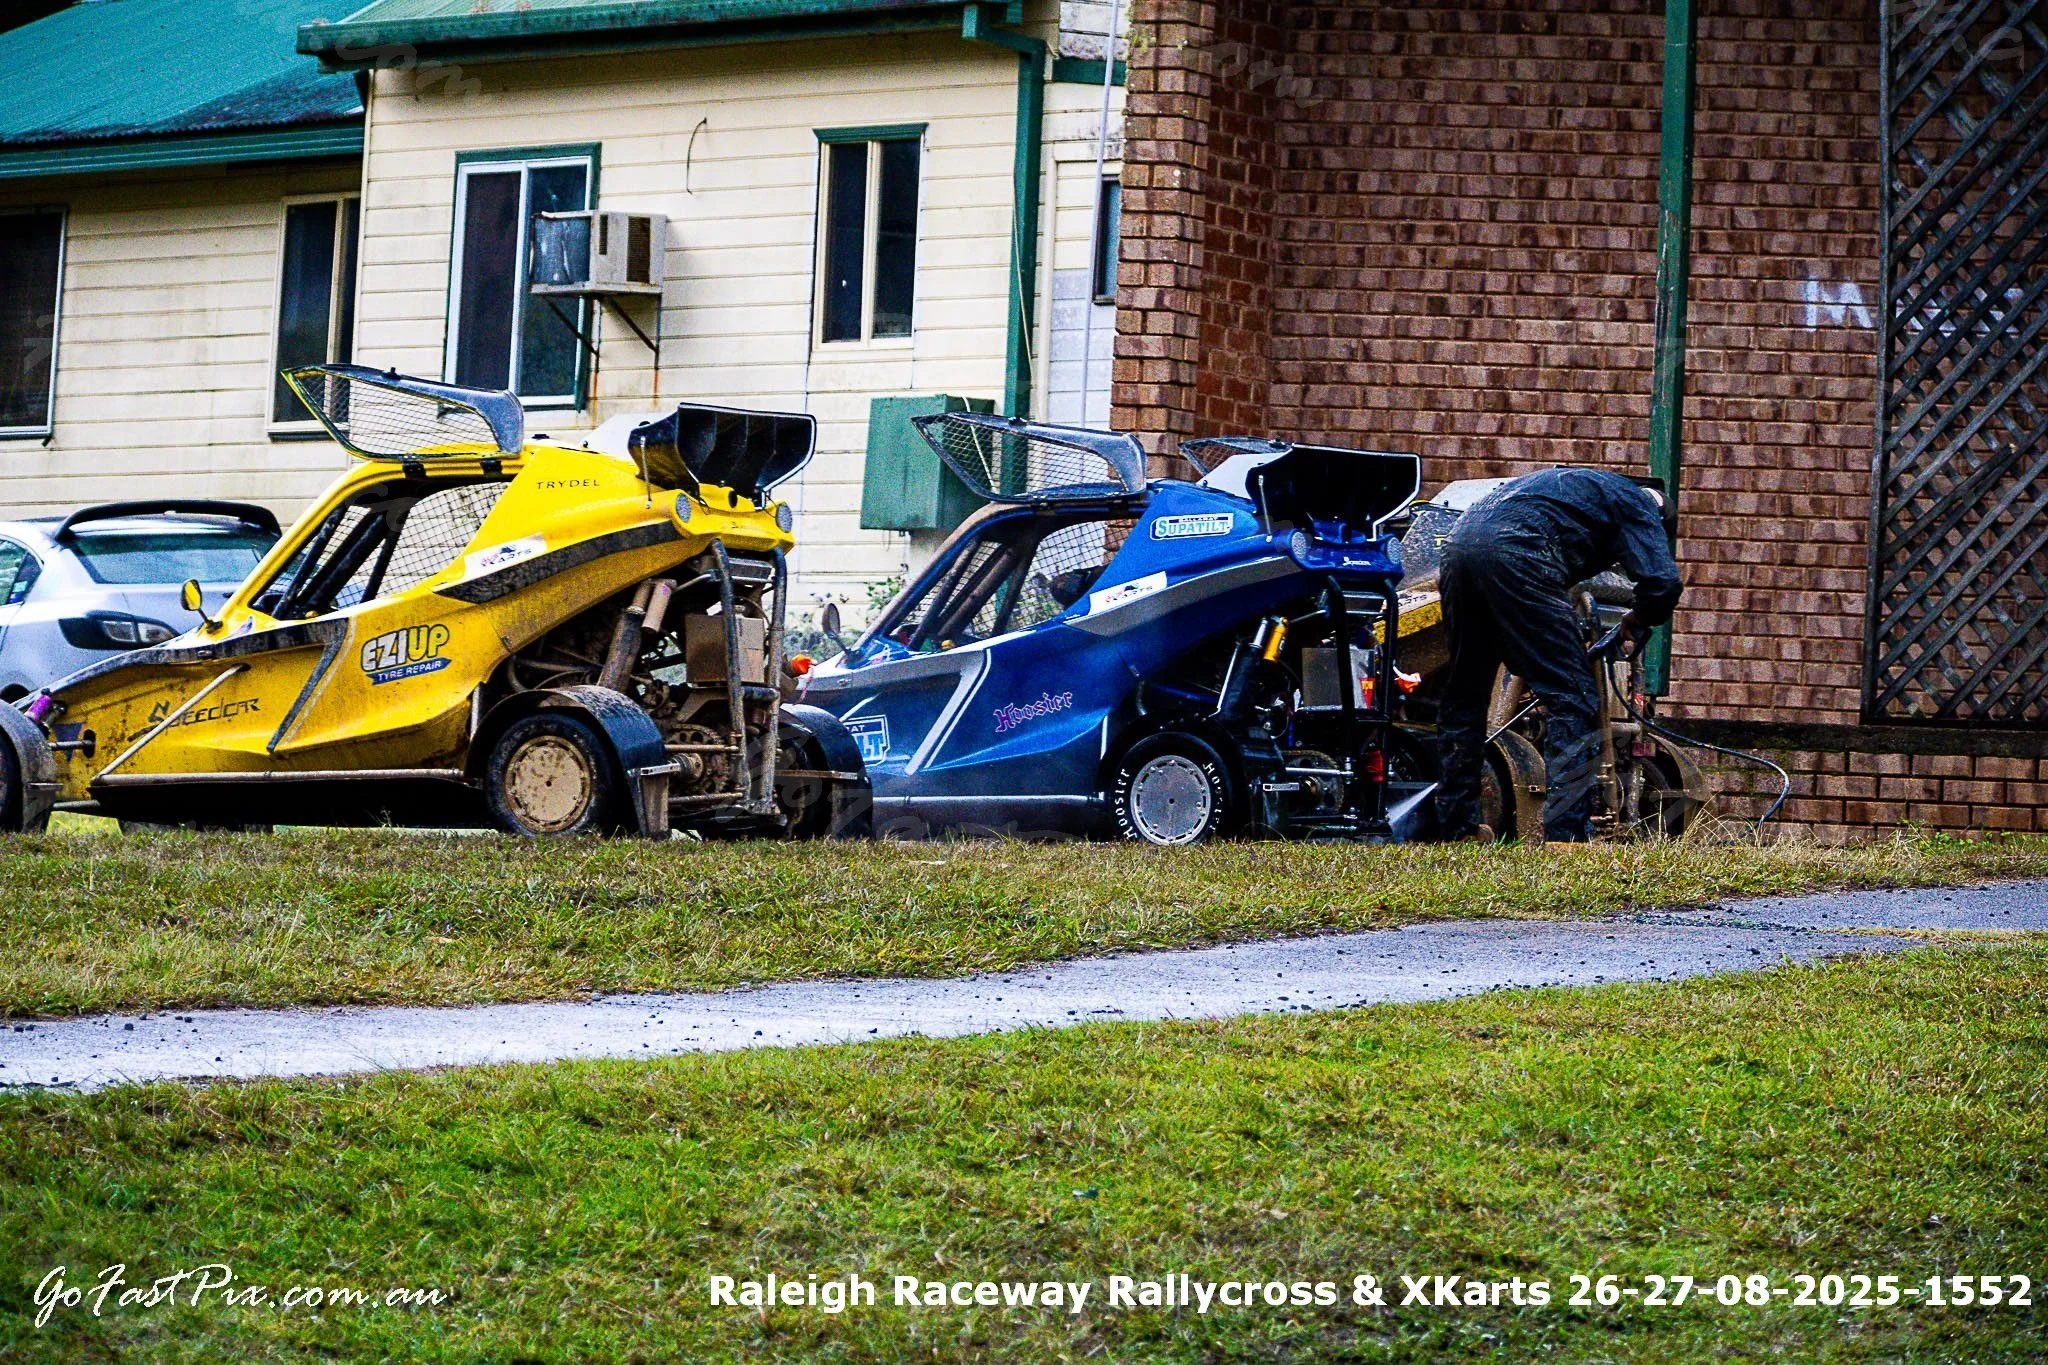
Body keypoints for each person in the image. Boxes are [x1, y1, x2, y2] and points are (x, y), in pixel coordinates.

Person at [1434, 468, 1682, 844]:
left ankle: (1458, 827)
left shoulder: (1580, 489)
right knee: (1574, 699)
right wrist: (1640, 617)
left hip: (1457, 550)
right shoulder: (1640, 504)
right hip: (1518, 553)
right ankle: (1564, 836)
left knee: (1465, 695)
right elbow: (1663, 583)